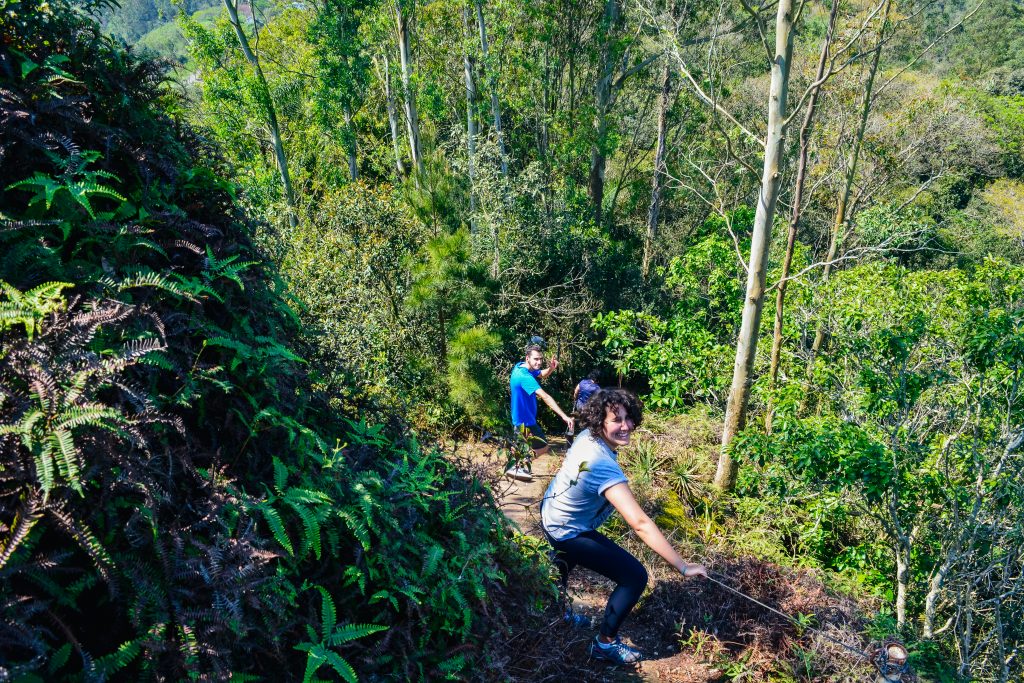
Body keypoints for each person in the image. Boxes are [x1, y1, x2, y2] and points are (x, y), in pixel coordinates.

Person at [540, 388, 707, 664]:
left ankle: (558, 614)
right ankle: (605, 644)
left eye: (628, 418)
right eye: (617, 420)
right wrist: (683, 566)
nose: (626, 426)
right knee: (634, 576)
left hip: (551, 513)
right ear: (599, 421)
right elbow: (640, 523)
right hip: (566, 529)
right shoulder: (601, 463)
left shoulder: (587, 438)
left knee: (563, 562)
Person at [507, 337, 575, 482]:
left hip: (521, 418)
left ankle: (514, 466)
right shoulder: (524, 377)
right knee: (543, 446)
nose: (539, 362)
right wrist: (564, 416)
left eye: (541, 359)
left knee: (520, 446)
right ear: (528, 358)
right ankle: (520, 467)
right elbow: (545, 396)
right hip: (525, 421)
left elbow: (541, 374)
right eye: (536, 359)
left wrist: (551, 368)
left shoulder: (520, 367)